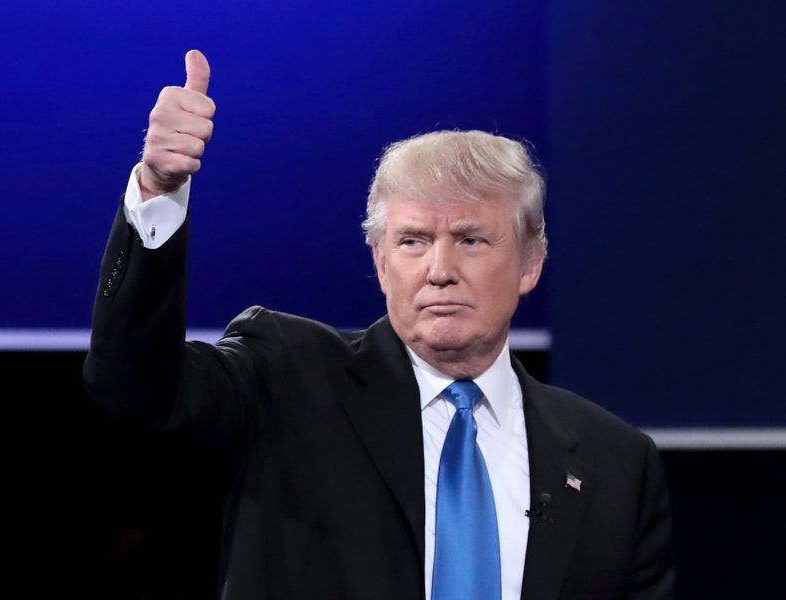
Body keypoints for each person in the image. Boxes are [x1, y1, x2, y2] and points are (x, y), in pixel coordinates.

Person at [83, 50, 675, 600]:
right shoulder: (286, 379)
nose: (440, 270)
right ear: (380, 261)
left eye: (470, 239)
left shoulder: (615, 461)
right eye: (413, 241)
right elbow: (134, 391)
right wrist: (159, 192)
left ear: (530, 263)